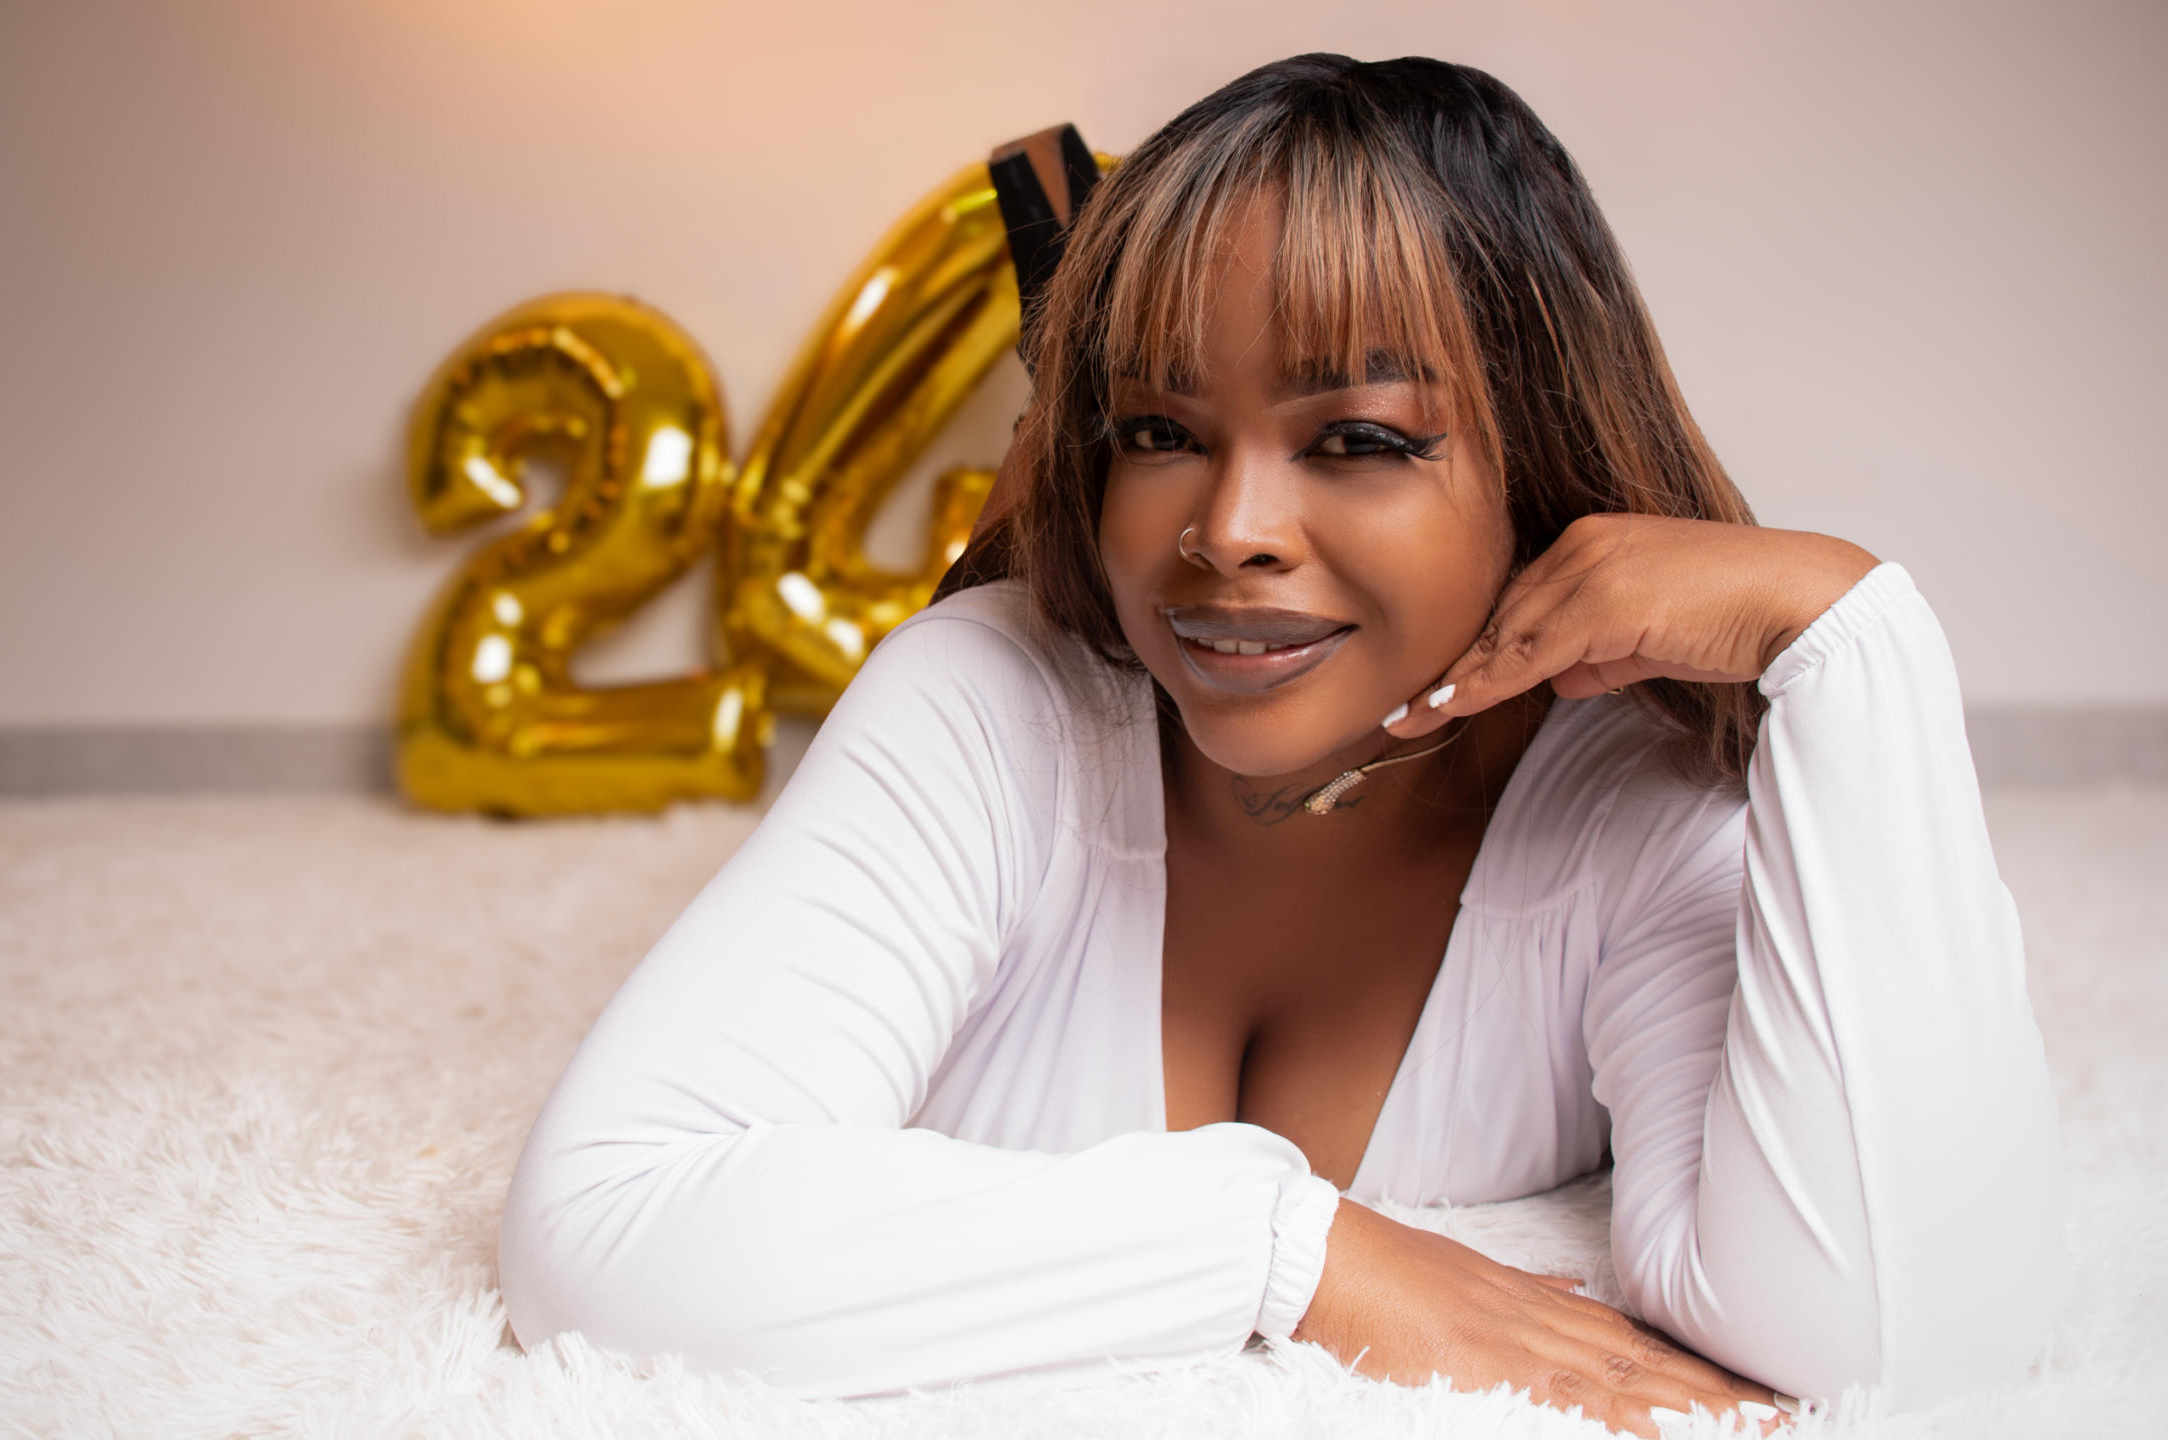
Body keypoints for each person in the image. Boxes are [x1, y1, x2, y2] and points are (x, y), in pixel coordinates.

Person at [497, 54, 2062, 1436]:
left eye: (1358, 439)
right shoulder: (985, 696)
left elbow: (1886, 1342)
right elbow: (607, 1226)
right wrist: (1288, 1253)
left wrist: (1854, 641)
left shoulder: (1633, 803)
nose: (1227, 529)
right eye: (1156, 432)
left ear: (1540, 462)